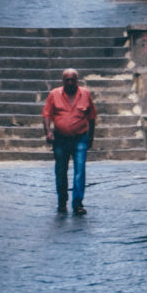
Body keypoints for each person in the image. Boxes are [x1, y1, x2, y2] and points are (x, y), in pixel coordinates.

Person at [42, 68, 96, 215]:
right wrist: (48, 132)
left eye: (73, 80)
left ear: (77, 81)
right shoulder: (54, 94)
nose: (70, 82)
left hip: (80, 138)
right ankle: (62, 201)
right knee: (61, 171)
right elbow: (46, 115)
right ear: (63, 81)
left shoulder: (85, 94)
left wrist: (91, 137)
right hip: (60, 139)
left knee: (80, 171)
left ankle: (78, 203)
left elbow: (91, 117)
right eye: (67, 80)